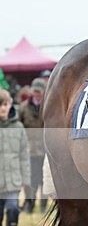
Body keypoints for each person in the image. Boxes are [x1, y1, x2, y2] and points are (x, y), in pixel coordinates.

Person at [0, 88, 31, 226]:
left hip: (13, 182)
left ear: (9, 105)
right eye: (0, 105)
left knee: (13, 210)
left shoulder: (18, 127)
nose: (2, 109)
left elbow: (24, 156)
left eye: (5, 104)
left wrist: (26, 182)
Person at [18, 77, 47, 213]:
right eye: (34, 91)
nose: (37, 93)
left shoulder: (49, 106)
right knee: (30, 180)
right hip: (28, 151)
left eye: (39, 91)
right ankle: (30, 204)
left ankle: (43, 205)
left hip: (45, 151)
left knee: (44, 180)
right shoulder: (23, 107)